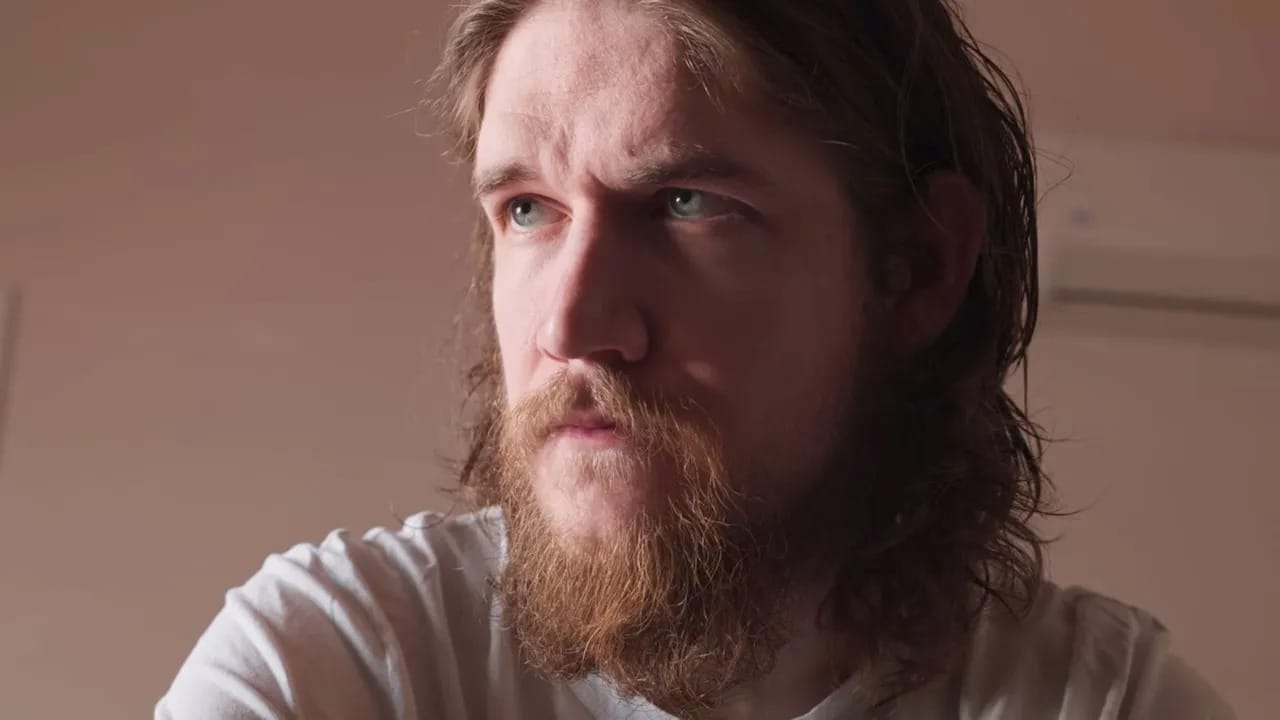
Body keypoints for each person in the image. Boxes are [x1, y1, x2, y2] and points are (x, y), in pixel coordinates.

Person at [156, 1, 1234, 718]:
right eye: (527, 209)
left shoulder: (1100, 704)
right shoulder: (341, 668)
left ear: (914, 268)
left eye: (684, 203)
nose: (571, 324)